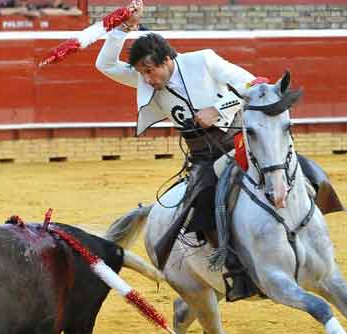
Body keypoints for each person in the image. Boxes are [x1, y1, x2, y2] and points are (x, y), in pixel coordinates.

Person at [96, 0, 258, 297]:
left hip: (239, 143)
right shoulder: (145, 81)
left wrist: (218, 109)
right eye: (140, 73)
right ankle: (236, 271)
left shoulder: (203, 61)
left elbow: (252, 84)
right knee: (202, 207)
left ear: (167, 60)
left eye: (149, 71)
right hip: (202, 158)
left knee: (288, 174)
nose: (145, 79)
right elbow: (104, 65)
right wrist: (122, 28)